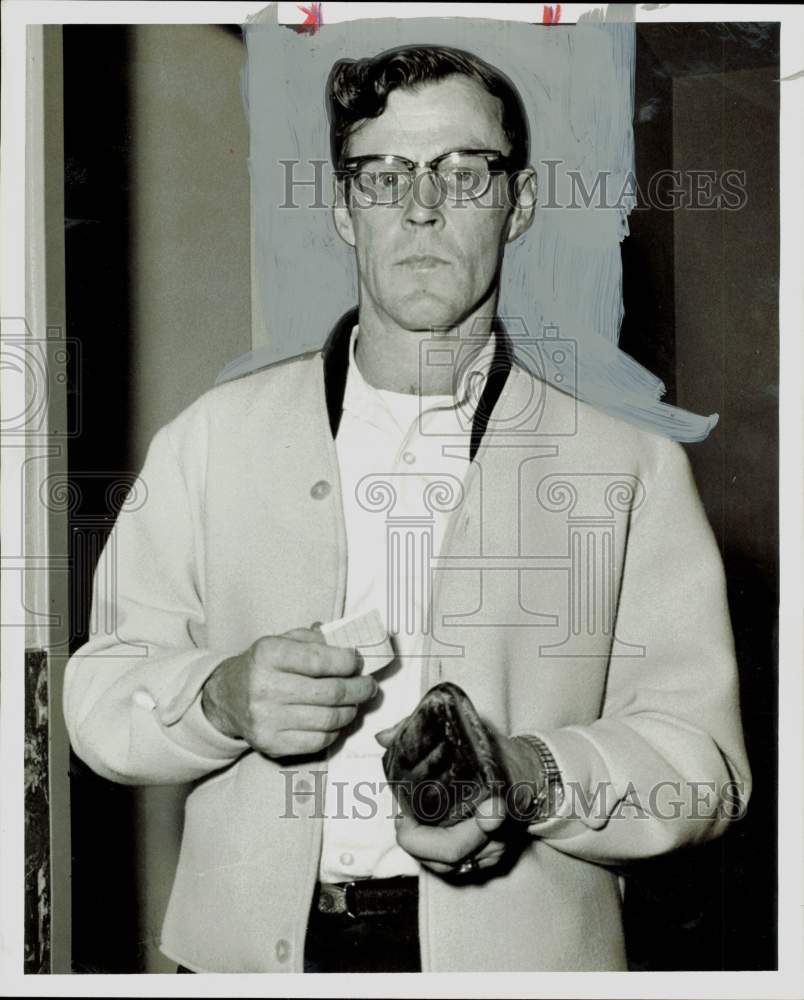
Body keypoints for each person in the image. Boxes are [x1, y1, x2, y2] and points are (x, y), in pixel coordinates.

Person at [63, 44, 751, 973]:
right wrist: (219, 699)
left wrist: (530, 775)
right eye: (384, 176)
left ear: (523, 203)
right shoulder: (210, 440)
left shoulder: (631, 468)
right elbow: (99, 698)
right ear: (344, 209)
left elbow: (704, 769)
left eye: (466, 173)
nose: (422, 207)